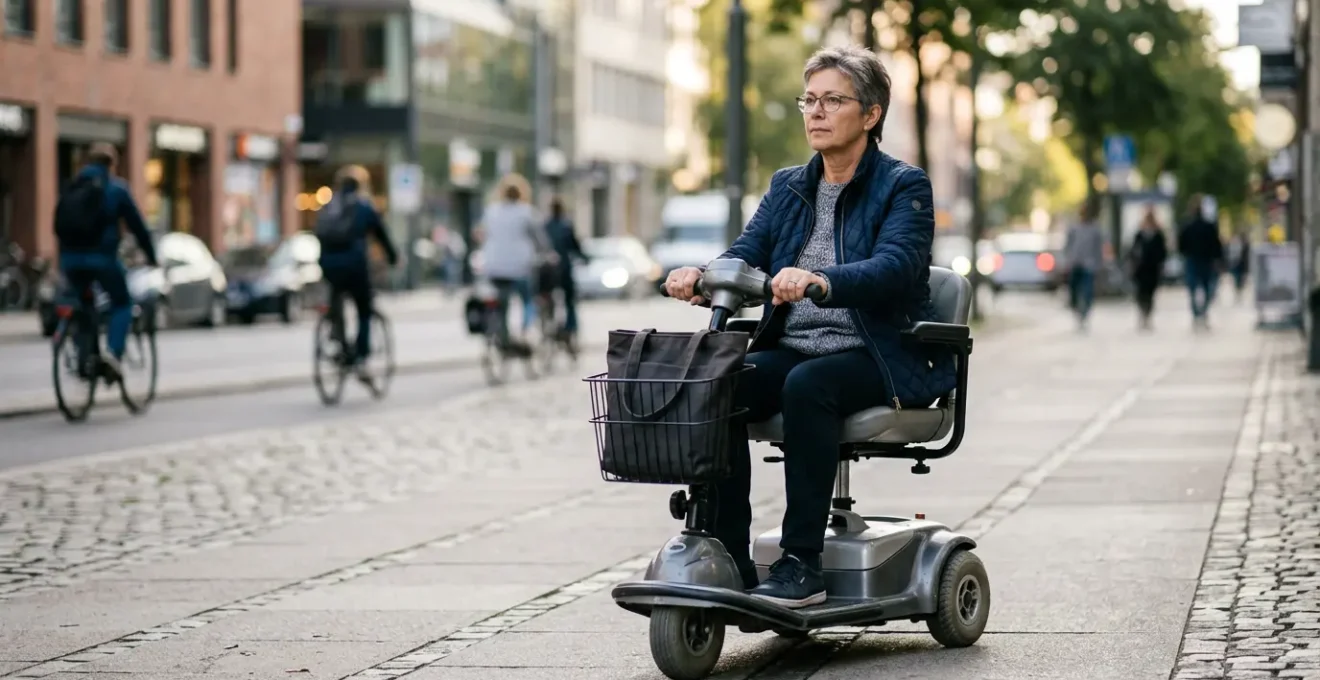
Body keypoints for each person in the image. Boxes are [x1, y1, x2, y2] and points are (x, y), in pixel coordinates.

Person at [664, 45, 957, 609]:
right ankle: (729, 556)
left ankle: (802, 564)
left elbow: (896, 266)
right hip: (798, 345)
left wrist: (822, 280)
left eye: (832, 100)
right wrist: (700, 276)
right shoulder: (788, 186)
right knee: (720, 378)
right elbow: (746, 254)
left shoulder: (904, 184)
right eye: (810, 100)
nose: (816, 112)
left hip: (879, 354)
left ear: (871, 115)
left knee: (809, 386)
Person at [53, 142, 157, 382]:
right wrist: (151, 256)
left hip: (70, 261)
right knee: (122, 302)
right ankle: (112, 354)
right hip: (102, 260)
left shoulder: (72, 187)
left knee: (81, 306)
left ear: (87, 162)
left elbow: (59, 225)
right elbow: (138, 227)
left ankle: (83, 359)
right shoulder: (115, 189)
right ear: (112, 164)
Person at [314, 165, 398, 380]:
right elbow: (381, 235)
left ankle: (336, 334)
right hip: (355, 266)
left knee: (337, 299)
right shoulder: (363, 206)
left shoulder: (329, 205)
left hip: (329, 266)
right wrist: (393, 257)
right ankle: (360, 356)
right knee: (364, 309)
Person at [478, 174, 551, 351]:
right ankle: (526, 333)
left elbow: (481, 234)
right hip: (520, 267)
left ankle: (503, 337)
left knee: (502, 303)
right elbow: (541, 241)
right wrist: (548, 254)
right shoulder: (527, 213)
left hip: (494, 267)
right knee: (527, 299)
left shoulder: (491, 211)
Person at [1177, 194, 1225, 329]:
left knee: (1193, 287)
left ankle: (1197, 313)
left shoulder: (1188, 226)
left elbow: (1181, 244)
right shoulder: (1208, 226)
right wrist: (1218, 259)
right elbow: (1216, 245)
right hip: (1205, 260)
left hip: (1194, 259)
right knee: (1206, 287)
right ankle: (1202, 312)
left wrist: (1184, 254)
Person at [543, 198, 589, 338]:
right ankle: (571, 327)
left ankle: (548, 323)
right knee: (570, 300)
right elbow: (574, 246)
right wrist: (584, 258)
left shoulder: (546, 226)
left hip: (548, 270)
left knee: (547, 297)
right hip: (564, 268)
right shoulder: (566, 225)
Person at [1062, 204, 1105, 331]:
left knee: (1087, 291)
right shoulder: (1074, 228)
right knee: (1073, 290)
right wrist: (1067, 261)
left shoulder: (1095, 229)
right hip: (1075, 263)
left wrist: (1099, 263)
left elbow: (1098, 248)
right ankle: (1076, 310)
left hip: (1089, 264)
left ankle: (1084, 314)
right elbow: (1067, 246)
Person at [1128, 207, 1168, 331]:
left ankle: (1147, 314)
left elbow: (1163, 252)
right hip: (1141, 268)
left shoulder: (1158, 235)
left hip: (1152, 268)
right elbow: (1133, 251)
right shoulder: (1140, 234)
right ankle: (1143, 313)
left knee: (1150, 293)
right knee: (1141, 293)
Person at [1227, 232, 1251, 302]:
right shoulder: (1231, 246)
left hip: (1241, 266)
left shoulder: (1243, 246)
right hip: (1234, 265)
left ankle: (1239, 291)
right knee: (1236, 279)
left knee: (1240, 280)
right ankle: (1237, 291)